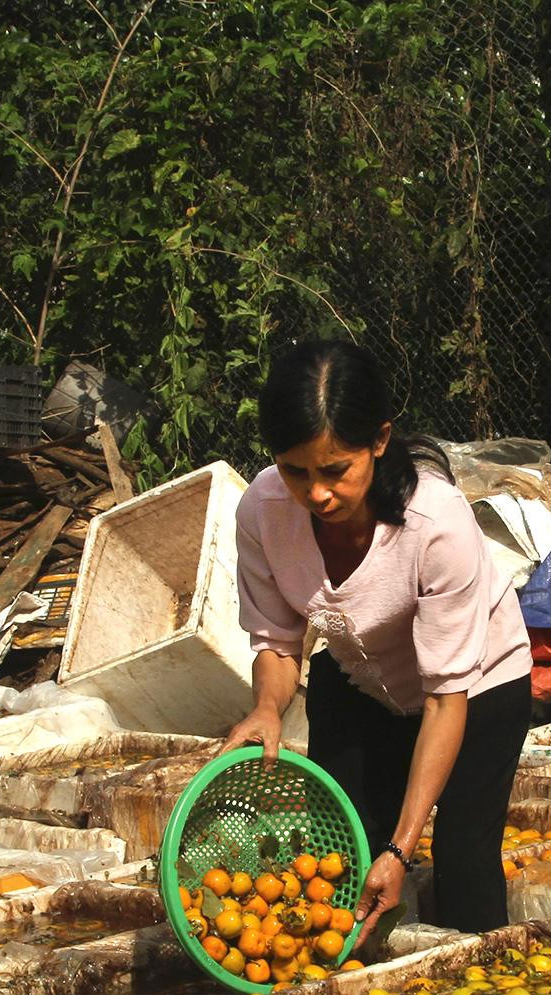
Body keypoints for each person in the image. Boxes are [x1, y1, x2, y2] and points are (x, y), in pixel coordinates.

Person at [223, 339, 533, 939]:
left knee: (463, 860)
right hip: (362, 675)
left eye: (336, 470)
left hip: (474, 687)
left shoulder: (434, 523)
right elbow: (279, 641)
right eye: (296, 471)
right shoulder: (262, 509)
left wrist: (402, 846)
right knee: (341, 859)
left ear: (380, 441)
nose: (316, 494)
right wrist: (266, 707)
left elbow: (446, 697)